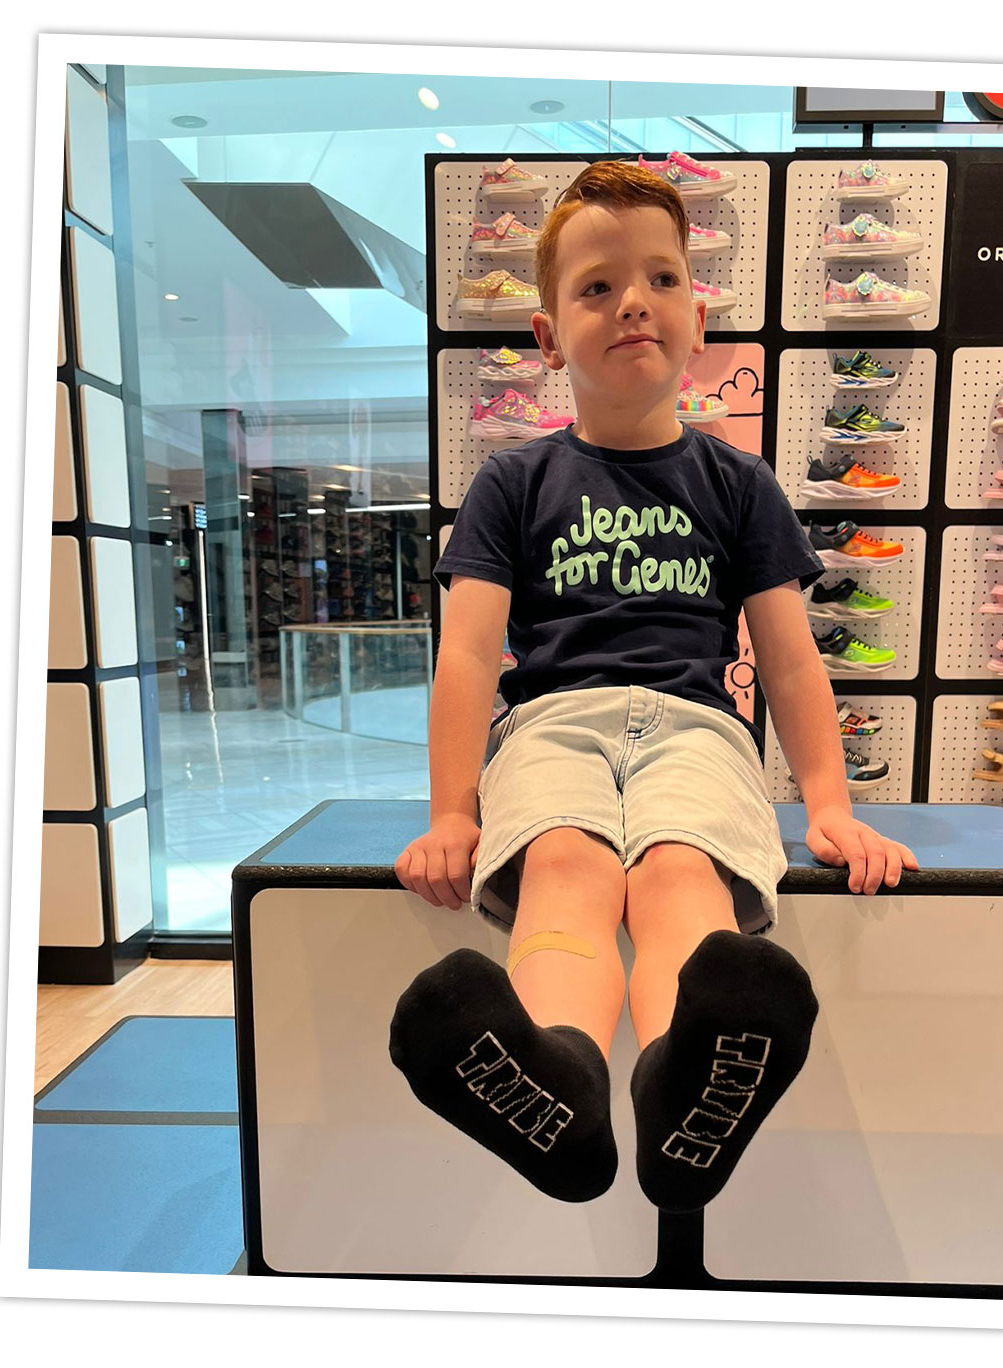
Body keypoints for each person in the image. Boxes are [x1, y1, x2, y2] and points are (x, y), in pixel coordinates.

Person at [390, 159, 918, 1212]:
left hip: (693, 728)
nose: (634, 301)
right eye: (597, 287)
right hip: (551, 722)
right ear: (546, 338)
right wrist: (452, 811)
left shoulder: (738, 483)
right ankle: (565, 1085)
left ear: (694, 313)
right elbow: (466, 655)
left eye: (662, 279)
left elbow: (791, 653)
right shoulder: (514, 482)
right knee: (567, 867)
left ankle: (682, 1074)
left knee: (683, 873)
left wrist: (830, 807)